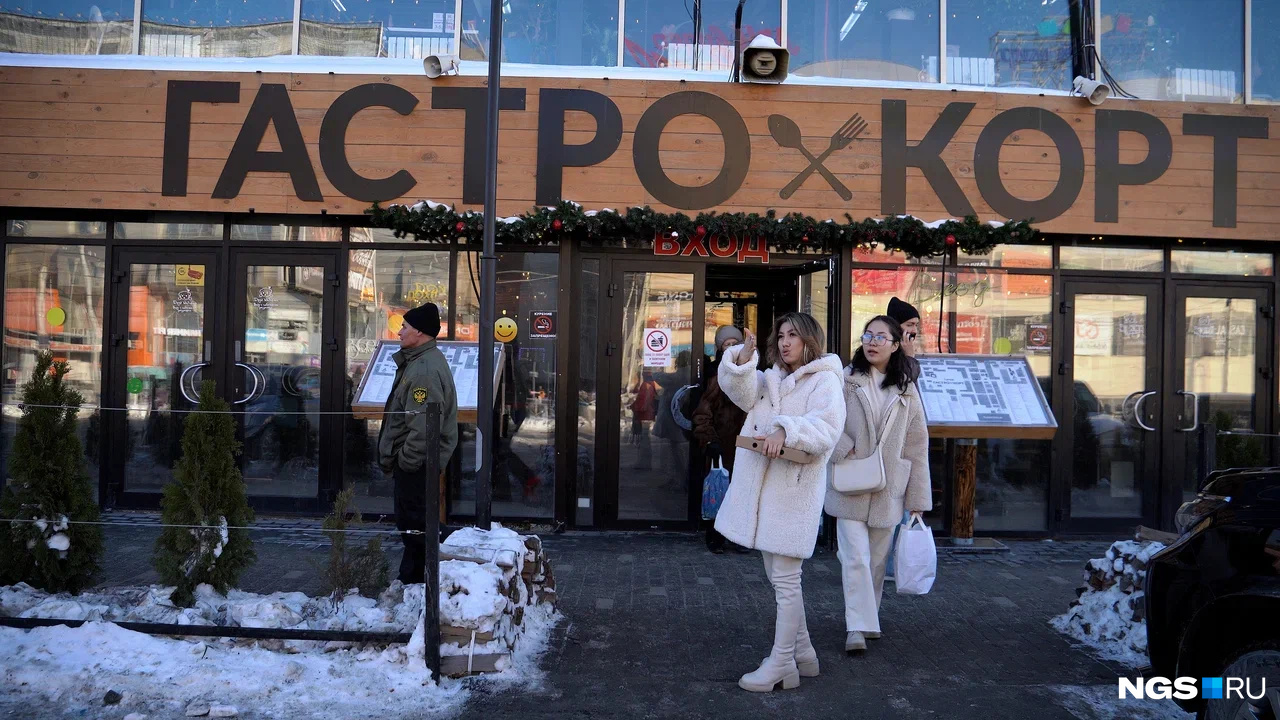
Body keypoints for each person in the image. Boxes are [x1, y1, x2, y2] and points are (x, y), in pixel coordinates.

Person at [714, 312, 846, 692]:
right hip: (765, 495)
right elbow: (740, 392)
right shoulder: (772, 378)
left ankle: (782, 662)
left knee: (786, 581)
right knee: (779, 578)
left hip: (794, 494)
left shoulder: (825, 379)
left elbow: (828, 427)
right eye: (782, 335)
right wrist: (743, 358)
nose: (785, 342)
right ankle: (803, 655)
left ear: (810, 340)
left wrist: (786, 429)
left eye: (794, 335)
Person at [826, 315, 931, 654]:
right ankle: (857, 627)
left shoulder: (906, 389)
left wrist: (917, 499)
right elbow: (825, 420)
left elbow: (917, 445)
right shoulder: (845, 380)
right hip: (850, 482)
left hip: (889, 488)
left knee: (875, 561)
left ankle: (868, 618)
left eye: (880, 337)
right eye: (868, 335)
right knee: (855, 556)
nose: (872, 342)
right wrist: (844, 447)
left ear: (896, 345)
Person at [378, 303, 459, 585]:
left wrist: (406, 461)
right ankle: (412, 579)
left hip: (418, 462)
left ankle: (429, 580)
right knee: (414, 525)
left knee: (415, 525)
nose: (399, 332)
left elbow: (424, 425)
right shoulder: (419, 361)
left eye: (405, 327)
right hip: (418, 461)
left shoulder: (423, 369)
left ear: (420, 332)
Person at [692, 325, 747, 554]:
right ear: (720, 348)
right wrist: (710, 441)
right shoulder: (717, 376)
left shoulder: (753, 372)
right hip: (723, 446)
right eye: (727, 344)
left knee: (742, 493)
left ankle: (738, 537)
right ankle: (716, 537)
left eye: (736, 343)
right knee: (721, 492)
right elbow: (702, 415)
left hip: (747, 446)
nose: (732, 348)